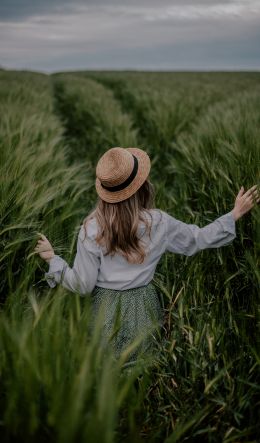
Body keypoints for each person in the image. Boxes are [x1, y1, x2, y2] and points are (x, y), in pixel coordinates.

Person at [34, 147, 259, 369]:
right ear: (142, 187)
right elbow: (197, 238)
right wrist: (233, 214)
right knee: (142, 369)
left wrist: (53, 259)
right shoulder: (159, 222)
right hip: (143, 307)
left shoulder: (91, 229)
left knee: (106, 369)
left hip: (104, 310)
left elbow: (83, 285)